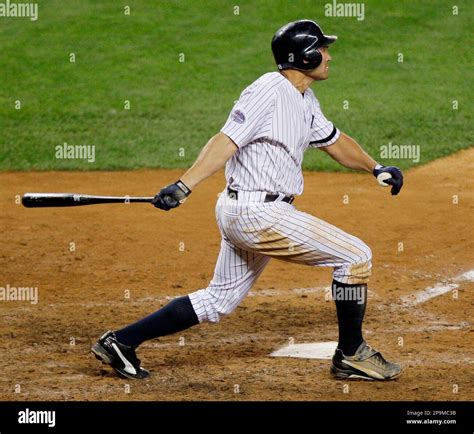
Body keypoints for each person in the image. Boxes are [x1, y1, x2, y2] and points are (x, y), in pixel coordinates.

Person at [92, 19, 404, 381]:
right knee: (355, 257)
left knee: (218, 300)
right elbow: (226, 140)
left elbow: (333, 141)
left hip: (253, 211)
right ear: (303, 57)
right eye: (322, 49)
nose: (329, 56)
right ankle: (351, 354)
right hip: (258, 214)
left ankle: (121, 342)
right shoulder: (268, 91)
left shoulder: (304, 96)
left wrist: (376, 167)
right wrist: (184, 184)